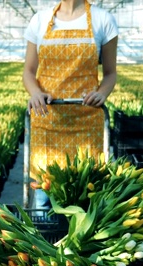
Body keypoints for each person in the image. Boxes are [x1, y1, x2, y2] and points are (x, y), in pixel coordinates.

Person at [23, 0, 118, 209]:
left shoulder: (104, 21)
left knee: (86, 197)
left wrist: (102, 93)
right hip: (48, 121)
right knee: (44, 200)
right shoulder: (39, 20)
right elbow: (28, 72)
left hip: (86, 122)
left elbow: (111, 73)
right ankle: (44, 240)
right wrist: (36, 92)